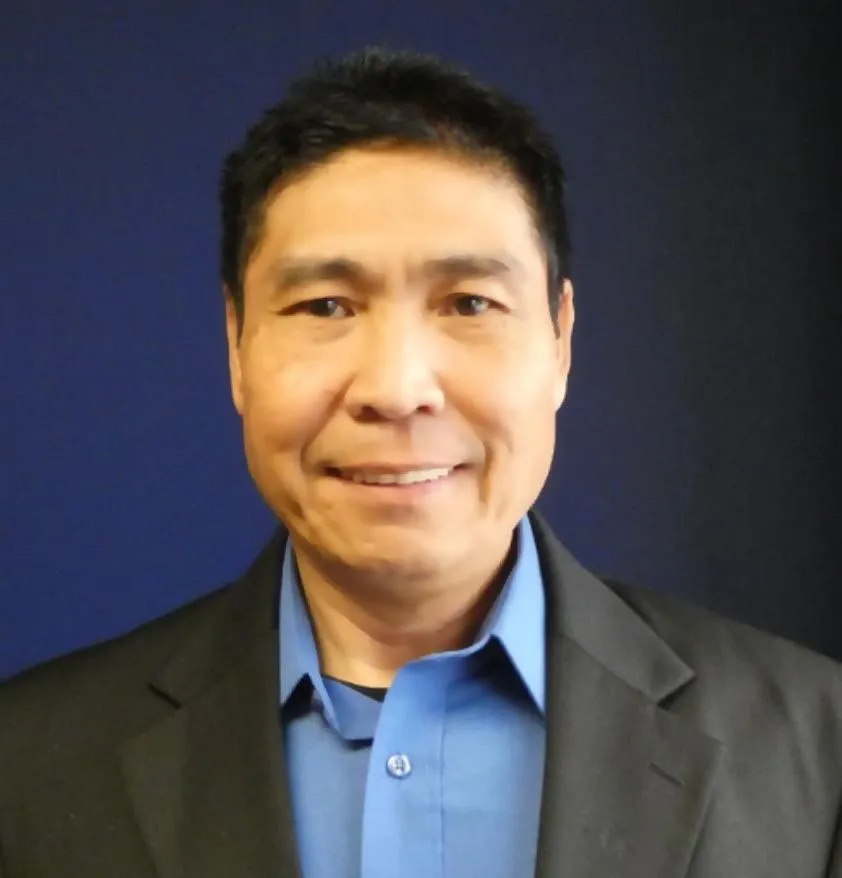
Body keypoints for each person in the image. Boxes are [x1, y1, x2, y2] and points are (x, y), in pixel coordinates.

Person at [1, 45, 840, 878]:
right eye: (325, 306)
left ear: (561, 342)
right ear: (236, 346)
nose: (397, 389)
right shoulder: (29, 769)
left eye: (470, 303)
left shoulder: (818, 752)